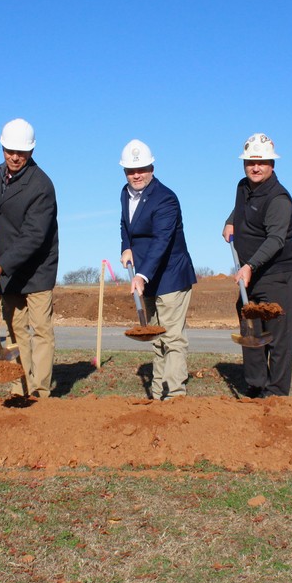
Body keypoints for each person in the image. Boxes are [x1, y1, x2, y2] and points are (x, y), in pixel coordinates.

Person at [0, 118, 59, 399]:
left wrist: (1, 264)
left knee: (41, 331)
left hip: (36, 269)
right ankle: (18, 386)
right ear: (2, 147)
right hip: (7, 270)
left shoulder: (41, 186)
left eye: (21, 152)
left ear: (31, 152)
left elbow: (33, 237)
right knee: (15, 332)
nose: (14, 157)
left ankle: (40, 390)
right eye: (10, 150)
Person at [118, 139, 197, 400]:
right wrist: (126, 247)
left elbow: (162, 241)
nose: (137, 174)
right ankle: (157, 394)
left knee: (172, 338)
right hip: (148, 277)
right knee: (156, 338)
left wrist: (141, 275)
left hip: (171, 275)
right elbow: (125, 225)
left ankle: (174, 396)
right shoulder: (125, 193)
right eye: (131, 170)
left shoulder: (166, 199)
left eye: (142, 168)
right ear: (124, 171)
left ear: (152, 167)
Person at [222, 133, 292, 397]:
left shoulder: (279, 199)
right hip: (251, 272)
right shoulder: (243, 186)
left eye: (262, 162)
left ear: (272, 165)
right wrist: (230, 220)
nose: (255, 167)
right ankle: (256, 386)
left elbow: (276, 239)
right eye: (250, 162)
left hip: (278, 274)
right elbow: (241, 208)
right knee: (250, 326)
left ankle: (277, 393)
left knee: (277, 335)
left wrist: (250, 265)